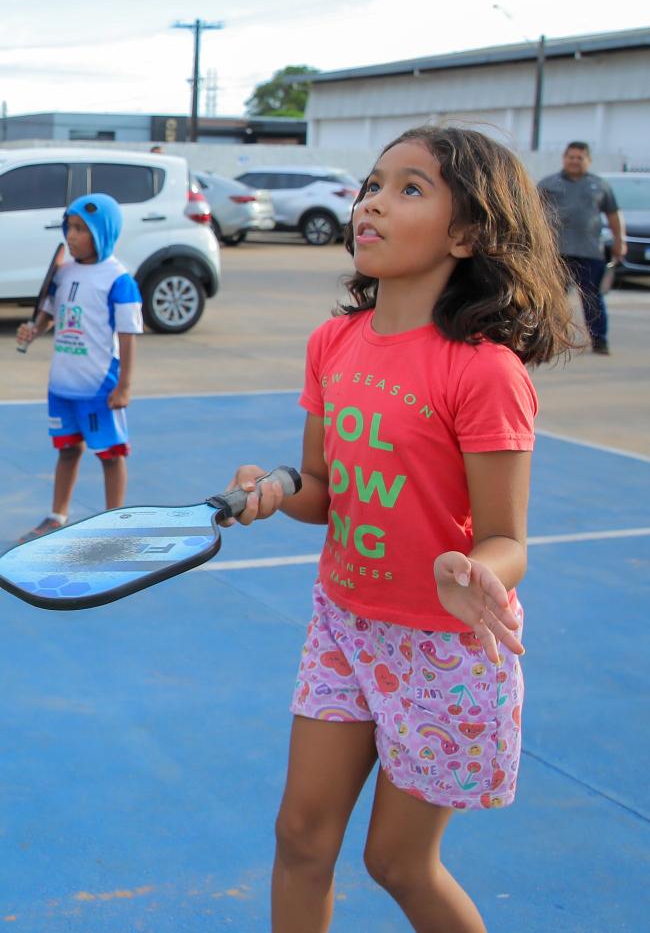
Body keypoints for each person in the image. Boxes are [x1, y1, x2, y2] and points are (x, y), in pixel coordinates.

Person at [228, 125, 574, 932]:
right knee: (300, 838)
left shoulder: (483, 371)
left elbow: (506, 539)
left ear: (469, 233)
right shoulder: (334, 342)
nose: (373, 203)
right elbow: (324, 489)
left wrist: (476, 572)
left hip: (444, 648)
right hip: (344, 627)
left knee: (396, 861)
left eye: (409, 188)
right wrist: (279, 486)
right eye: (373, 185)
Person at [15, 193, 142, 540]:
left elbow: (129, 334)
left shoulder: (119, 280)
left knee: (110, 455)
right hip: (62, 383)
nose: (71, 236)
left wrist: (125, 385)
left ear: (103, 233)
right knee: (68, 449)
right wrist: (34, 329)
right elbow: (50, 316)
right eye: (69, 227)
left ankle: (114, 524)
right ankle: (57, 516)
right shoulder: (64, 273)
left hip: (99, 385)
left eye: (81, 229)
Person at [536, 141, 625, 355]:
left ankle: (599, 340)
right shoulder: (549, 183)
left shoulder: (600, 185)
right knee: (552, 298)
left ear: (588, 160)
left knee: (592, 298)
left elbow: (613, 215)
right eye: (571, 157)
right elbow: (533, 213)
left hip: (590, 252)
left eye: (580, 157)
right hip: (556, 252)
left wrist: (620, 240)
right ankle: (549, 340)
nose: (575, 161)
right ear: (564, 158)